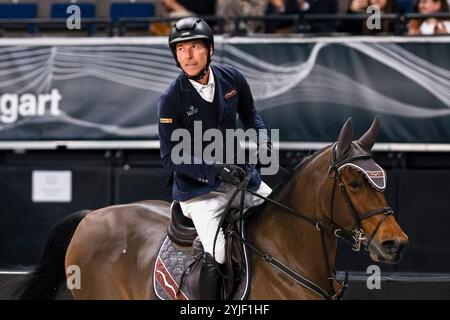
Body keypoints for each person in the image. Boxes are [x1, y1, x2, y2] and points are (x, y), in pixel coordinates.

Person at [157, 17, 273, 300]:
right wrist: (215, 170)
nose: (188, 56)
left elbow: (250, 114)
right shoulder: (171, 99)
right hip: (198, 191)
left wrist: (262, 138)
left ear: (209, 50)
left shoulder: (232, 78)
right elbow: (171, 156)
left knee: (277, 212)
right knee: (217, 251)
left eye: (194, 47)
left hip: (240, 176)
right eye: (181, 50)